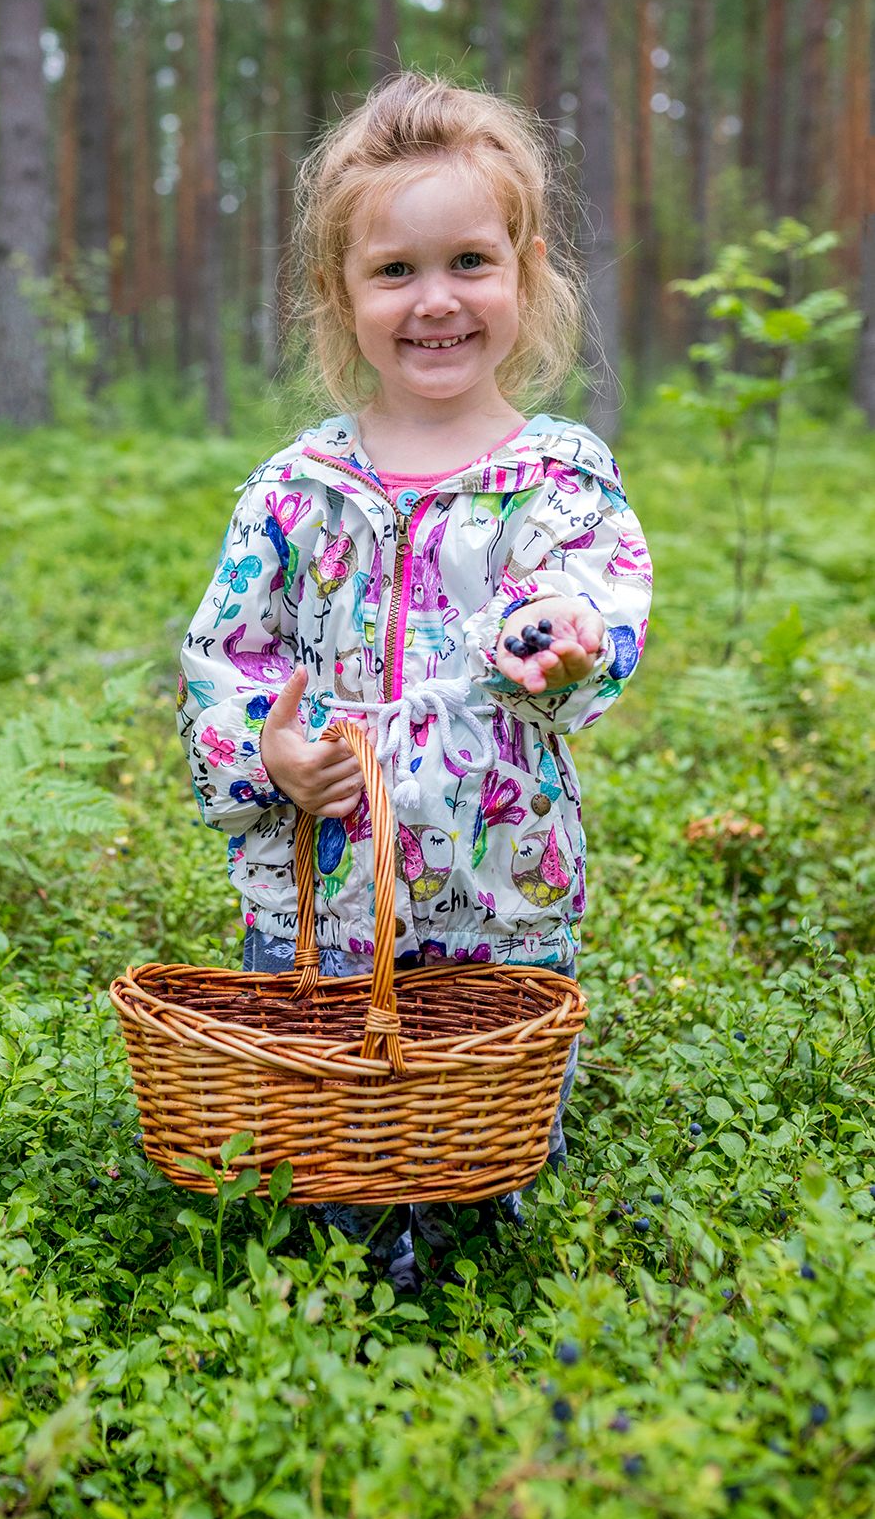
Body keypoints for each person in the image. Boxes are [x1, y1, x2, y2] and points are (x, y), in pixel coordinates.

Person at [176, 72, 653, 1278]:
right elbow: (226, 656)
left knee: (480, 1084)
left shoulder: (554, 477)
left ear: (526, 268)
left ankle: (469, 1201)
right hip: (331, 859)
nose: (434, 301)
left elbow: (591, 596)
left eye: (469, 262)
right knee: (332, 1065)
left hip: (500, 864)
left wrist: (561, 635)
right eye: (395, 271)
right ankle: (343, 1207)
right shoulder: (294, 489)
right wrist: (269, 752)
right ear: (339, 293)